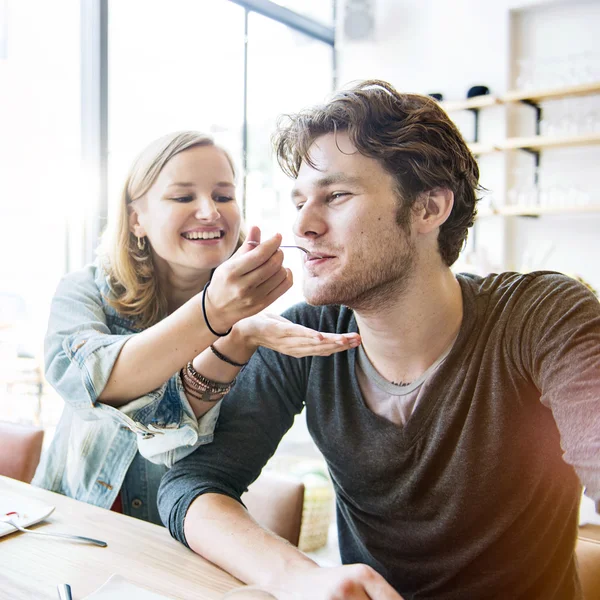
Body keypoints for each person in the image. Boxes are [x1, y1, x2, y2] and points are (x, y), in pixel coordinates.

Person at [157, 82, 600, 600]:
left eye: (336, 195)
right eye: (299, 200)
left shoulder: (541, 316)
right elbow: (189, 485)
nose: (303, 224)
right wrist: (296, 575)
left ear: (428, 209)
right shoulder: (306, 337)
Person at [33, 131, 359, 525]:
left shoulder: (257, 329)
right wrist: (213, 315)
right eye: (183, 197)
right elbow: (84, 379)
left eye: (223, 196)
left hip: (174, 546)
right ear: (137, 219)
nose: (209, 212)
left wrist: (236, 334)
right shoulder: (86, 290)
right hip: (66, 522)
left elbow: (192, 456)